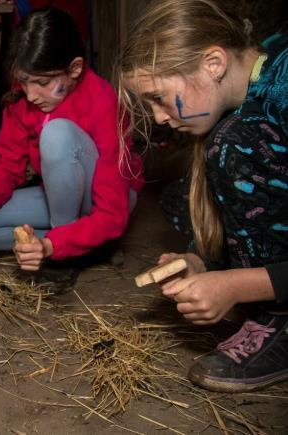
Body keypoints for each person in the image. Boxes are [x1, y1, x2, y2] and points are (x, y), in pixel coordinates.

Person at [116, 0, 288, 392]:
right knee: (183, 193)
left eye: (159, 97)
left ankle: (278, 318)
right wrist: (198, 259)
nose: (159, 116)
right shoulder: (242, 97)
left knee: (232, 145)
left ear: (213, 62)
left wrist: (239, 285)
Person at [0, 7, 143, 276]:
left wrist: (52, 246)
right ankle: (87, 245)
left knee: (57, 134)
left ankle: (63, 255)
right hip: (59, 199)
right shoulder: (22, 100)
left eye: (41, 82)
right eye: (25, 81)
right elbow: (8, 165)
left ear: (74, 68)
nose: (30, 95)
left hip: (105, 202)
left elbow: (111, 214)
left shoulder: (103, 101)